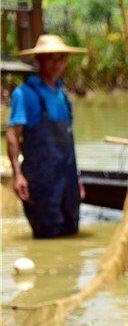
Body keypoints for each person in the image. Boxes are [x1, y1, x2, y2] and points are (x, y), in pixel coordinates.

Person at [6, 35, 86, 238]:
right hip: (41, 180)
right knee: (46, 235)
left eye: (61, 58)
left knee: (72, 233)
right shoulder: (24, 94)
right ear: (39, 60)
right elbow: (13, 135)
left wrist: (76, 177)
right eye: (50, 58)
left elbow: (68, 142)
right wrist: (17, 174)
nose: (56, 63)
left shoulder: (63, 95)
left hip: (67, 178)